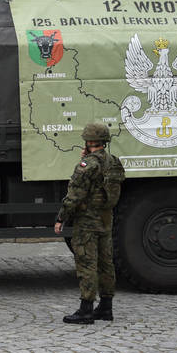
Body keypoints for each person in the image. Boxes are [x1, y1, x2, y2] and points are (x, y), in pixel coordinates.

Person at [53, 122, 124, 324]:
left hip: (87, 221)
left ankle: (86, 310)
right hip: (106, 218)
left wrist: (61, 218)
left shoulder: (87, 165)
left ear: (89, 141)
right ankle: (106, 308)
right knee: (106, 263)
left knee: (87, 263)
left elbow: (74, 195)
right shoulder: (114, 162)